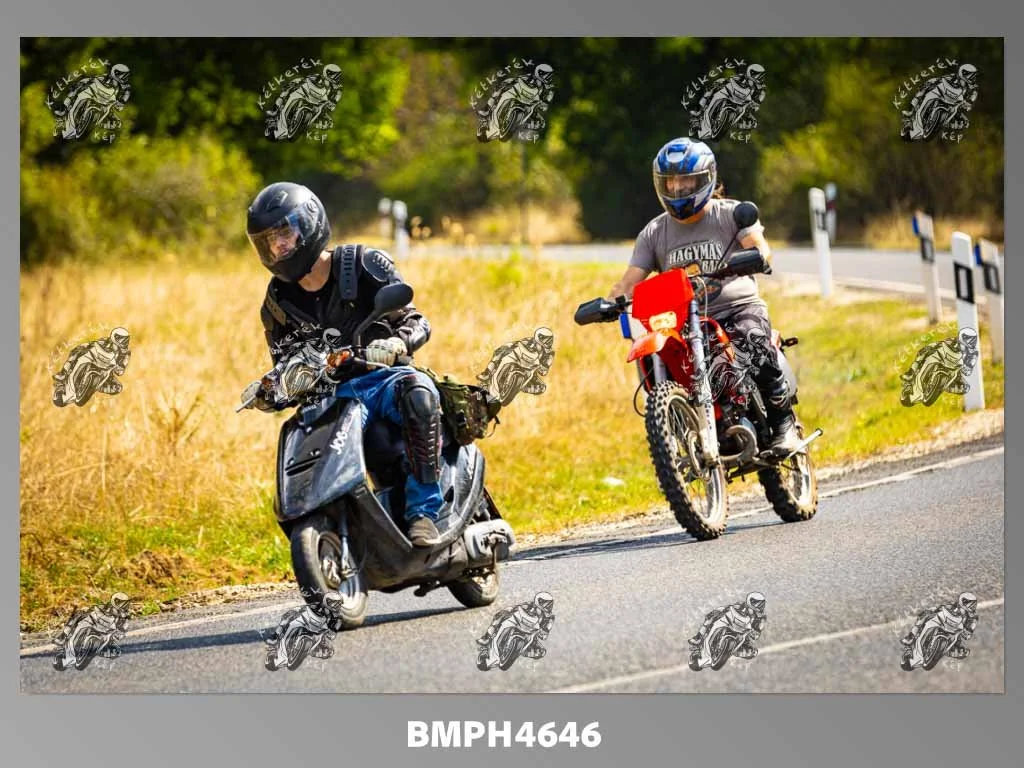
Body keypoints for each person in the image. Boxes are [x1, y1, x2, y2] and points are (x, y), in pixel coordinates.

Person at [244, 181, 444, 546]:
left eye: (284, 233)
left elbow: (417, 321)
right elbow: (285, 363)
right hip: (332, 396)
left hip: (382, 378)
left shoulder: (362, 264)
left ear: (310, 223)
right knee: (298, 434)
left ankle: (424, 512)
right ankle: (331, 522)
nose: (278, 247)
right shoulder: (277, 302)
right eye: (268, 241)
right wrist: (272, 389)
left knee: (419, 392)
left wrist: (396, 342)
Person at [607, 137, 800, 453]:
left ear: (706, 178)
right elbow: (629, 282)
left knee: (753, 339)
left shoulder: (731, 213)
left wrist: (758, 256)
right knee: (662, 358)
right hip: (685, 321)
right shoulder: (653, 233)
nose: (678, 188)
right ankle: (688, 431)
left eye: (686, 180)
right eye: (670, 182)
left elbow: (760, 247)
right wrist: (609, 303)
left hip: (737, 307)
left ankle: (783, 424)